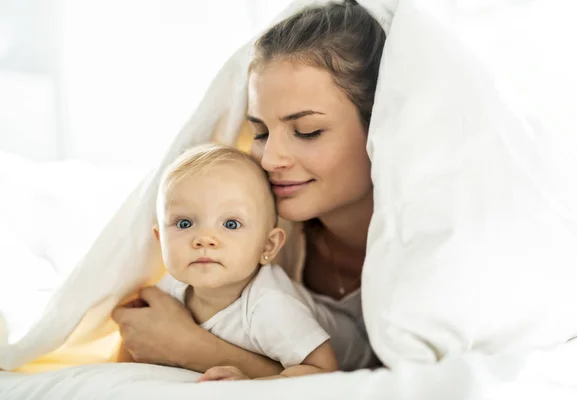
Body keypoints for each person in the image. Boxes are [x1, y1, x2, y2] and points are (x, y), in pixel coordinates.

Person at [111, 0, 385, 380]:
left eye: (307, 131)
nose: (270, 160)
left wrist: (192, 348)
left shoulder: (430, 243)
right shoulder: (247, 213)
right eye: (259, 132)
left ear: (381, 128)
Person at [117, 144, 340, 380]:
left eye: (231, 224)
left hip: (356, 345)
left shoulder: (270, 307)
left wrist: (252, 385)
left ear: (268, 246)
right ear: (160, 239)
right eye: (184, 223)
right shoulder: (173, 287)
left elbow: (324, 372)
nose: (204, 239)